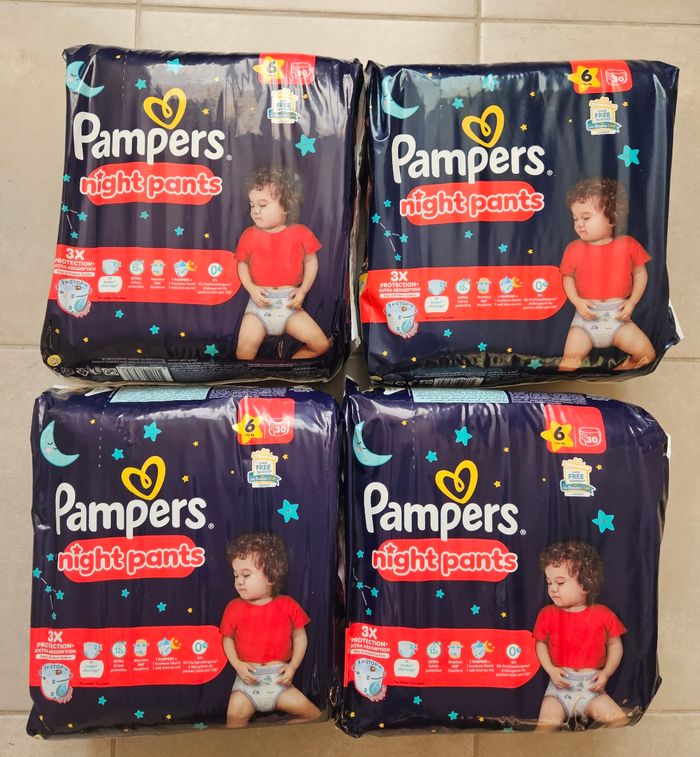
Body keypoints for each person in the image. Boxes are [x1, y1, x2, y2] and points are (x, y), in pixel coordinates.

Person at [220, 532, 321, 728]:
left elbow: (300, 637)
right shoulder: (233, 607)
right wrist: (238, 665)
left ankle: (277, 734)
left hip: (278, 680)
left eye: (246, 575)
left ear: (272, 576)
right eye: (236, 575)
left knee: (314, 715)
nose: (239, 581)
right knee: (233, 723)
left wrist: (292, 667)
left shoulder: (288, 605)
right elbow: (227, 639)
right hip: (246, 681)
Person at [558, 177, 655, 371]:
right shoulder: (573, 248)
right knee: (568, 364)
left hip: (618, 317)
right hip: (584, 320)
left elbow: (640, 275)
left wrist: (632, 302)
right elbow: (567, 278)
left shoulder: (628, 244)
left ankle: (614, 374)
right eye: (575, 218)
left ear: (612, 217)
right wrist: (577, 301)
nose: (579, 224)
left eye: (586, 218)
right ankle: (563, 386)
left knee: (647, 356)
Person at [234, 166, 331, 360]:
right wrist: (251, 288)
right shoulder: (249, 234)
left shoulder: (301, 232)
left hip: (289, 304)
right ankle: (257, 376)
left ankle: (287, 368)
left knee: (321, 345)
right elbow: (241, 264)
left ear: (286, 206)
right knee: (243, 354)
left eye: (262, 205)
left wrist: (302, 290)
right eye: (252, 205)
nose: (255, 211)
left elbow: (311, 262)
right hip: (258, 306)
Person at [533, 540, 628, 731]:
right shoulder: (547, 614)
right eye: (549, 582)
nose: (552, 588)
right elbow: (540, 643)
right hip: (559, 688)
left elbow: (615, 645)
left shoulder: (604, 614)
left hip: (592, 687)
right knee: (543, 730)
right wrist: (550, 669)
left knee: (620, 720)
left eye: (560, 582)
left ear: (585, 584)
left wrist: (606, 672)